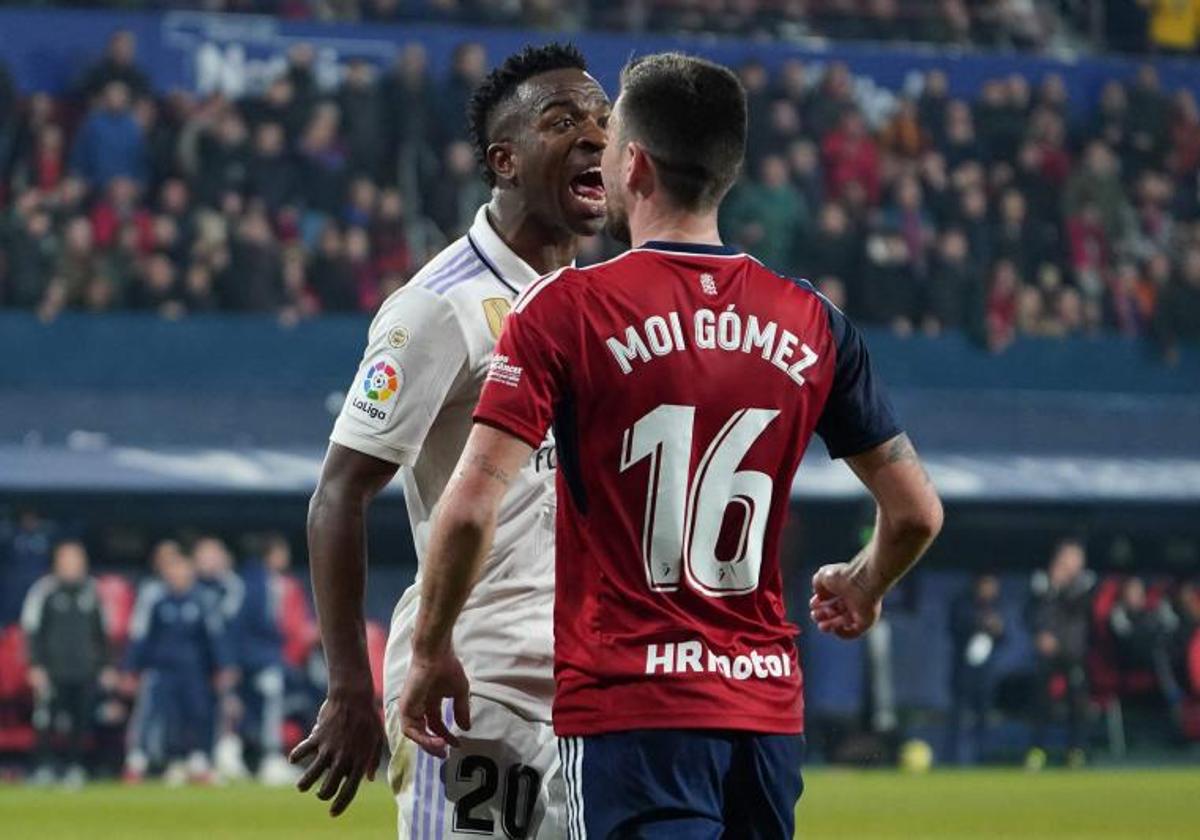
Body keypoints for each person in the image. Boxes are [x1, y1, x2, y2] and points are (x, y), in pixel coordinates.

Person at [397, 52, 942, 837]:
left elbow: (471, 505)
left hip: (631, 711)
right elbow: (917, 512)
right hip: (763, 717)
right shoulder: (812, 321)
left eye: (610, 138)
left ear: (636, 164)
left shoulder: (568, 309)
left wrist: (430, 647)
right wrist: (864, 583)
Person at [292, 43, 609, 834]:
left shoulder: (594, 304)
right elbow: (339, 491)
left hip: (587, 680)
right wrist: (348, 686)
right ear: (505, 160)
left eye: (603, 118)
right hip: (474, 681)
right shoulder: (439, 307)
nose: (596, 135)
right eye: (563, 120)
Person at [123, 547, 235, 785]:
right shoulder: (158, 601)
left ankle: (198, 760)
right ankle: (148, 761)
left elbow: (215, 638)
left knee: (198, 714)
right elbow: (143, 638)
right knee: (158, 716)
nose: (177, 574)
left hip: (194, 672)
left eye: (182, 569)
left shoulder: (203, 601)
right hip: (163, 670)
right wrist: (131, 669)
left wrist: (222, 666)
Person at [21, 540, 113, 787]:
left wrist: (105, 665)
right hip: (52, 669)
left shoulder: (93, 591)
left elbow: (103, 633)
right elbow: (31, 631)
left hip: (84, 668)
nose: (72, 565)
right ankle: (43, 767)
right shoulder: (44, 591)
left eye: (77, 560)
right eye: (67, 560)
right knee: (46, 720)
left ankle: (75, 766)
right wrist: (35, 665)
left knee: (80, 720)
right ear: (56, 563)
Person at [1025, 538, 1094, 770]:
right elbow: (1031, 613)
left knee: (1077, 703)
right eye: (1067, 557)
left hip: (1073, 653)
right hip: (1048, 652)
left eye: (1075, 557)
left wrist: (1060, 586)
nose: (1070, 563)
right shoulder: (1042, 583)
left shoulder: (1085, 583)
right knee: (1042, 702)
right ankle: (1037, 750)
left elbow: (1079, 609)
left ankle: (1076, 751)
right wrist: (1040, 633)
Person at [946, 574, 1005, 764]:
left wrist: (997, 629)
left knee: (984, 718)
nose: (992, 590)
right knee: (958, 718)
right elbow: (956, 626)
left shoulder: (995, 608)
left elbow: (1003, 637)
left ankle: (982, 758)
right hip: (963, 672)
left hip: (985, 674)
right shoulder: (963, 604)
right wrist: (981, 622)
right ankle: (952, 759)